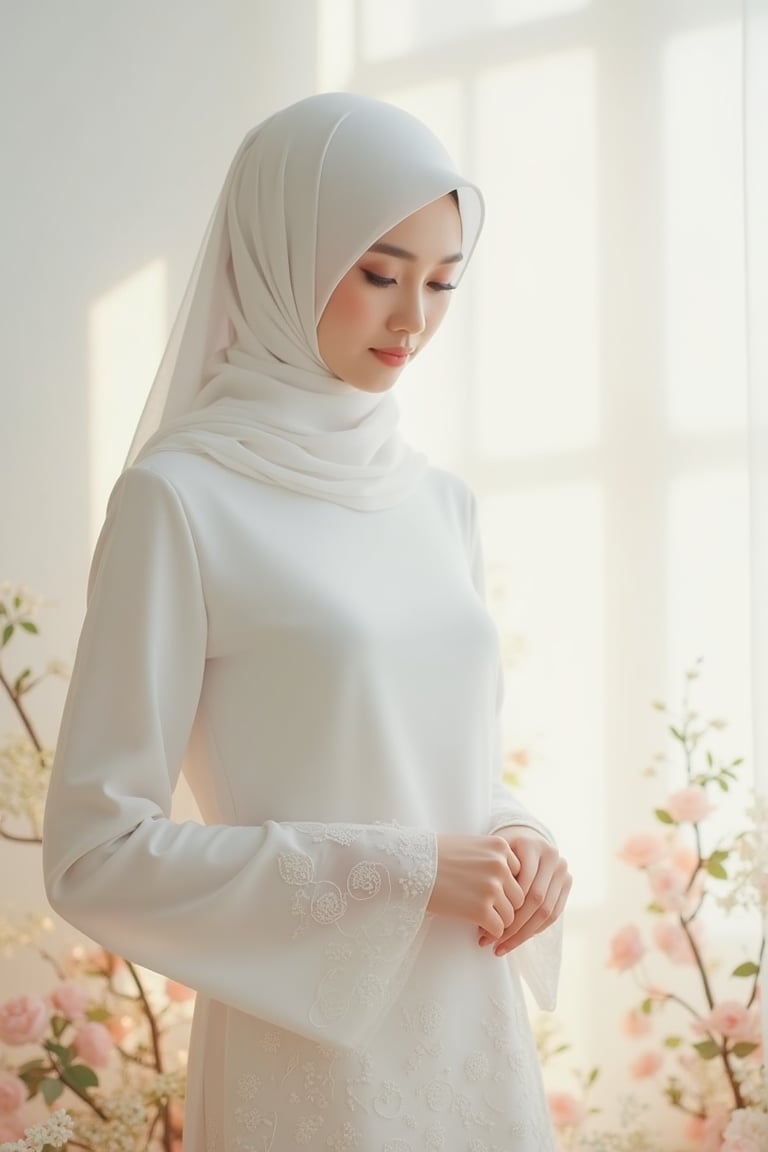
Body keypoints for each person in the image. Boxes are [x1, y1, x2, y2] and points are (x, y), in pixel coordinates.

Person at [43, 92, 572, 1152]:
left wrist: (523, 836)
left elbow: (435, 754)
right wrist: (406, 870)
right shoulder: (182, 501)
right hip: (312, 1070)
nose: (413, 318)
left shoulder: (438, 502)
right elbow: (94, 854)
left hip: (476, 1040)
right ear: (283, 249)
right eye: (380, 272)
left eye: (442, 281)